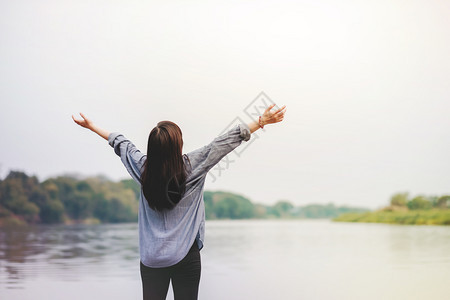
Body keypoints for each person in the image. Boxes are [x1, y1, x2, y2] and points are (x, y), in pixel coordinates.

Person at [72, 103, 287, 300]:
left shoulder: (142, 168)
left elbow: (121, 143)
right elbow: (226, 141)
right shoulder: (194, 165)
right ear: (178, 144)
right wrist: (261, 122)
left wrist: (92, 127)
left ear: (152, 148)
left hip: (152, 258)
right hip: (186, 256)